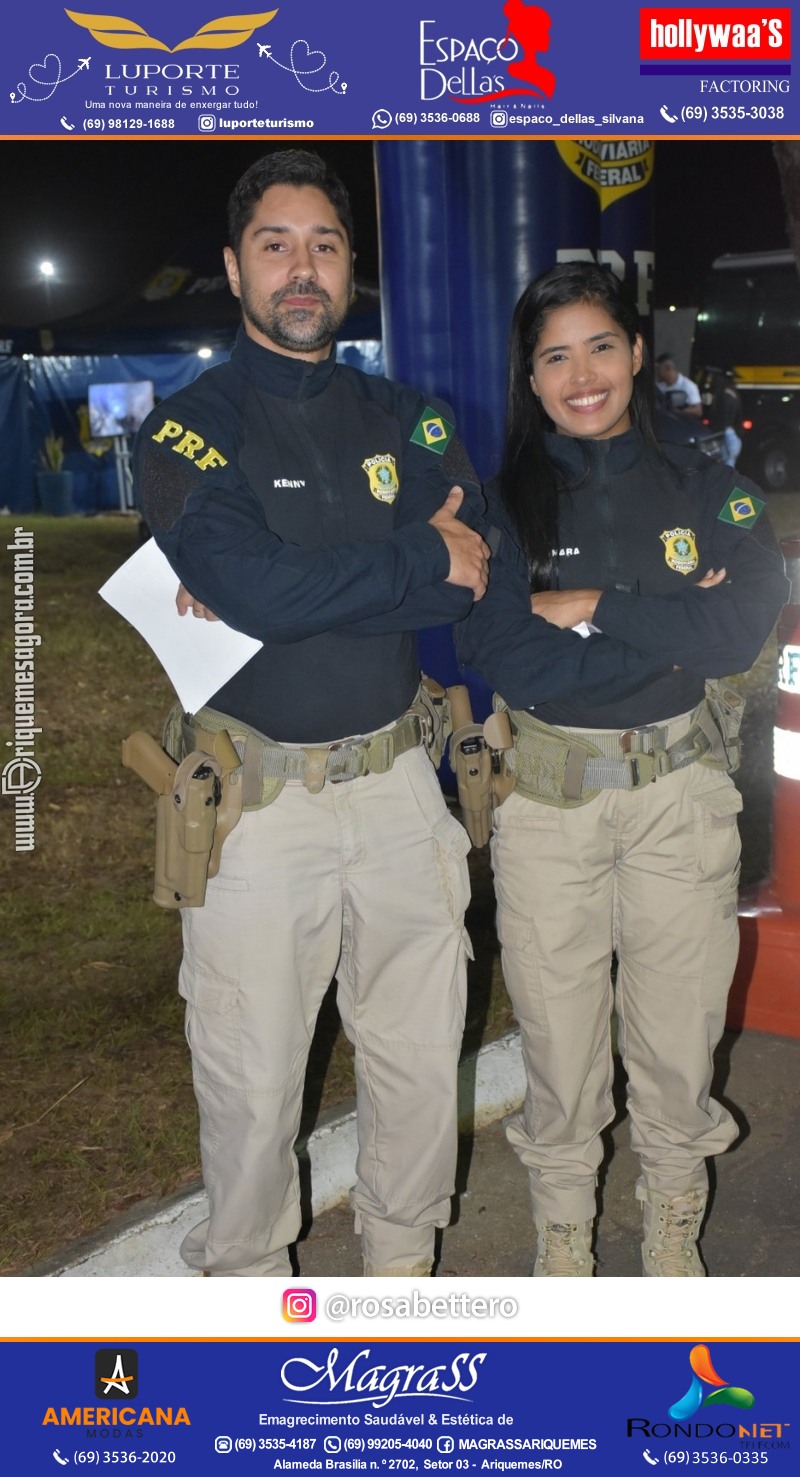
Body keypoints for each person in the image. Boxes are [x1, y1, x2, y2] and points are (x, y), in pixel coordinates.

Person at [133, 149, 490, 1278]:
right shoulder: (184, 428)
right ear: (236, 268)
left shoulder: (410, 418)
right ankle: (248, 1295)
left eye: (325, 244)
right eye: (276, 244)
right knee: (248, 1080)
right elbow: (261, 593)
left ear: (349, 270)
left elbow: (466, 572)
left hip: (397, 791)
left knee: (419, 1062)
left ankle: (398, 1283)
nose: (302, 267)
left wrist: (289, 578)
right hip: (256, 809)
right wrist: (401, 560)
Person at [457, 262, 788, 1277]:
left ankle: (671, 1218)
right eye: (553, 355)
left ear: (637, 353)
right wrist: (670, 629)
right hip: (549, 806)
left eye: (599, 344)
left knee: (677, 1039)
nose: (581, 372)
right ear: (530, 375)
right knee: (557, 1043)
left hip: (679, 799)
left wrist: (596, 602)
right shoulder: (500, 501)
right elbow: (498, 651)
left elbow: (739, 631)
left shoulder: (707, 489)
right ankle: (563, 1233)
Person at [700, 367, 744, 468]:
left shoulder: (722, 394)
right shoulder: (733, 392)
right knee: (730, 466)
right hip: (733, 435)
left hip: (725, 435)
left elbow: (720, 418)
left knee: (724, 468)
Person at [655, 353, 703, 417]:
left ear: (668, 368)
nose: (657, 372)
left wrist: (676, 412)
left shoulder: (688, 386)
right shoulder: (659, 386)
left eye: (659, 369)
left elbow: (698, 410)